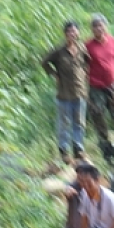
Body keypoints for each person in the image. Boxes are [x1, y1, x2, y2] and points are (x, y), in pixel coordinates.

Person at [41, 21, 90, 162]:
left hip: (80, 93)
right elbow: (44, 62)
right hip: (64, 94)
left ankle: (78, 149)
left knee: (79, 123)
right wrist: (54, 74)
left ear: (78, 33)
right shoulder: (59, 51)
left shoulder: (82, 49)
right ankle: (64, 151)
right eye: (69, 32)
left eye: (75, 31)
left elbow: (87, 63)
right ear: (65, 34)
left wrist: (85, 75)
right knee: (64, 124)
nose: (72, 34)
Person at [85, 14, 114, 153]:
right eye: (95, 26)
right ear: (92, 29)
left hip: (112, 84)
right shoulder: (88, 46)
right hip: (96, 85)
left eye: (100, 25)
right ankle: (105, 143)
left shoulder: (112, 41)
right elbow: (84, 66)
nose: (98, 28)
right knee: (98, 113)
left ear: (105, 26)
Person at [62, 161, 91, 228]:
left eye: (82, 175)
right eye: (78, 176)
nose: (80, 179)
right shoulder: (74, 186)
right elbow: (67, 190)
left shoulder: (94, 190)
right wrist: (68, 191)